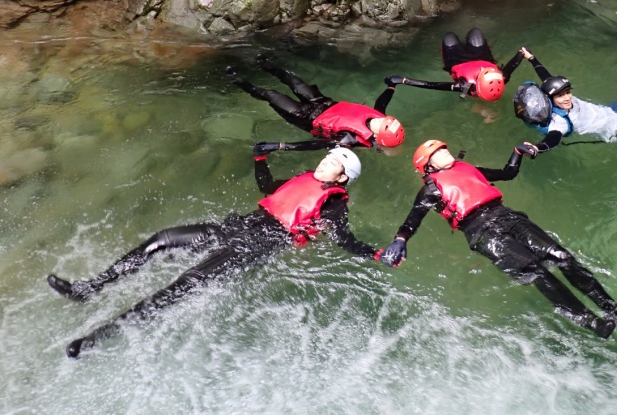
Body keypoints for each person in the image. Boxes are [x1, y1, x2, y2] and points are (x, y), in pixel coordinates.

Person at [48, 146, 384, 358]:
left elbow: (344, 240)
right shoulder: (303, 179)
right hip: (235, 228)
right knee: (161, 240)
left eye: (330, 163)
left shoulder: (334, 205)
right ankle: (88, 289)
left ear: (343, 176)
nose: (322, 164)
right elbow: (268, 188)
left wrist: (376, 253)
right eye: (325, 159)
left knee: (176, 289)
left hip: (251, 247)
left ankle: (97, 338)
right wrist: (260, 158)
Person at [378, 140, 617, 338]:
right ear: (429, 165)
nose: (445, 152)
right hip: (481, 232)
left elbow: (507, 174)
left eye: (444, 149)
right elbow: (413, 218)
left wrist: (517, 154)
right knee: (537, 272)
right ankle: (590, 321)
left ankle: (613, 309)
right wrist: (400, 240)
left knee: (562, 257)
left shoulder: (468, 168)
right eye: (438, 153)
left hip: (507, 217)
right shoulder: (430, 189)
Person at [227, 53, 405, 150]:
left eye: (382, 124)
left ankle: (241, 82)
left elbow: (316, 145)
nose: (382, 119)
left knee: (270, 94)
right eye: (386, 119)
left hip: (305, 117)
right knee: (295, 82)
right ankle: (266, 66)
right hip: (324, 103)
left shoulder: (349, 139)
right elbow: (381, 103)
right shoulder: (378, 118)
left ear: (375, 135)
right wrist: (391, 87)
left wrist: (282, 146)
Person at [384, 27, 525, 102]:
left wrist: (404, 80)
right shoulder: (501, 77)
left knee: (449, 36)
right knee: (475, 31)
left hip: (458, 62)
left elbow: (432, 85)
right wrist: (522, 53)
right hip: (482, 57)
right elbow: (513, 64)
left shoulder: (464, 86)